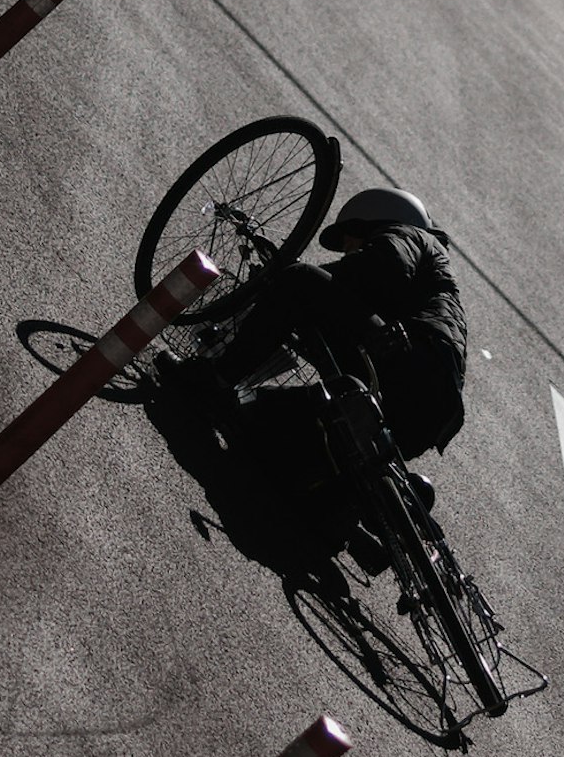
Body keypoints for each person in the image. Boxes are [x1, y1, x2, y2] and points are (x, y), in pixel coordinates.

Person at [157, 187, 469, 573]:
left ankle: (214, 380)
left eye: (353, 240)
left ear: (376, 219)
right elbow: (344, 329)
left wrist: (287, 279)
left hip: (407, 366)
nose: (350, 250)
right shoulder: (421, 291)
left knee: (300, 281)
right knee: (262, 429)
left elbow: (382, 266)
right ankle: (351, 514)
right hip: (424, 414)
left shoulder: (410, 238)